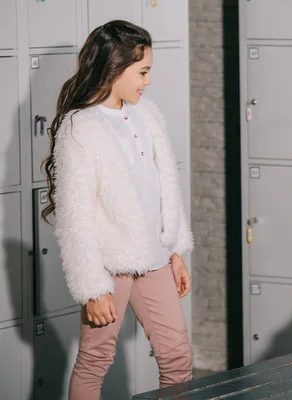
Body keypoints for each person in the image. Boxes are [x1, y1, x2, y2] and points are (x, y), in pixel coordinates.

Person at [41, 20, 194, 400]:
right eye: (142, 72)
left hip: (155, 258)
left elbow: (163, 188)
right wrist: (92, 287)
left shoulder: (148, 116)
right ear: (115, 68)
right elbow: (75, 216)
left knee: (178, 358)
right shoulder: (81, 127)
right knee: (95, 361)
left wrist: (173, 248)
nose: (148, 81)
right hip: (110, 267)